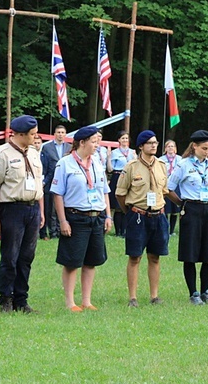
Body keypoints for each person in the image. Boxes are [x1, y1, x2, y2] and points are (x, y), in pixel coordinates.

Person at [0, 115, 45, 313]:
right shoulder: (1, 154)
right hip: (12, 209)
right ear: (20, 134)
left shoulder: (34, 153)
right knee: (10, 256)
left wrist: (41, 211)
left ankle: (22, 299)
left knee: (27, 256)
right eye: (32, 134)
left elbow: (39, 184)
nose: (35, 137)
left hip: (32, 208)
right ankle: (6, 298)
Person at [51, 126, 113, 312]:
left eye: (98, 141)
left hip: (96, 216)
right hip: (75, 217)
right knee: (72, 261)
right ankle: (70, 301)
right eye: (93, 141)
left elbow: (104, 191)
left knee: (91, 260)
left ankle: (86, 300)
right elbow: (57, 194)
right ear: (82, 142)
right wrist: (63, 221)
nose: (97, 145)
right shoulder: (65, 163)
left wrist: (108, 215)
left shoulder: (97, 163)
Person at [115, 130, 169, 307]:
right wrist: (130, 212)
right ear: (140, 146)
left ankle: (154, 296)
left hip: (158, 216)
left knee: (155, 257)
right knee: (134, 257)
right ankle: (133, 297)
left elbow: (164, 190)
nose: (154, 145)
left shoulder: (162, 165)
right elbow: (120, 194)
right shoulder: (131, 167)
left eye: (155, 142)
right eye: (149, 143)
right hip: (138, 216)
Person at [167, 130, 208, 304]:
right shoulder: (183, 165)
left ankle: (206, 290)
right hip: (191, 209)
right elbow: (168, 188)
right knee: (190, 252)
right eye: (204, 148)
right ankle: (194, 293)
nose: (207, 152)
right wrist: (181, 204)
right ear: (194, 147)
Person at [40, 125, 69, 239]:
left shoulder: (69, 147)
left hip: (66, 180)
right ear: (54, 134)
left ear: (65, 134)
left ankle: (61, 228)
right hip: (51, 180)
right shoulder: (46, 147)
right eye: (58, 132)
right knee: (51, 208)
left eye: (62, 132)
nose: (60, 134)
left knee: (63, 206)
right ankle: (53, 232)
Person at [108, 130, 137, 237]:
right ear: (119, 140)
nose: (125, 140)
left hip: (128, 177)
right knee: (117, 206)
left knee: (127, 204)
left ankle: (125, 231)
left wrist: (134, 158)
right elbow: (110, 169)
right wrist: (108, 157)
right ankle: (117, 231)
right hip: (117, 176)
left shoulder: (132, 152)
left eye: (126, 138)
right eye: (123, 138)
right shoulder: (114, 153)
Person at [159, 140, 183, 235]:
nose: (170, 148)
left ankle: (172, 231)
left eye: (172, 146)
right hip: (165, 185)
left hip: (176, 186)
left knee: (174, 210)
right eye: (168, 146)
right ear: (165, 149)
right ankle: (165, 229)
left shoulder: (180, 159)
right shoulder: (161, 160)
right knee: (166, 208)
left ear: (175, 149)